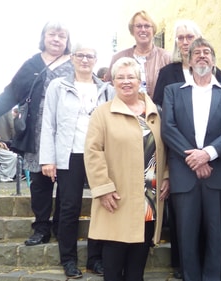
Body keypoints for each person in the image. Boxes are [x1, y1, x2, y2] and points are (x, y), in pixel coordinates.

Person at [0, 21, 74, 246]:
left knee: (67, 183)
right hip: (36, 134)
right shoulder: (32, 64)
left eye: (61, 35)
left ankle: (61, 226)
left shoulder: (75, 64)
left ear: (67, 40)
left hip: (69, 135)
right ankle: (42, 227)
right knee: (39, 183)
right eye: (52, 34)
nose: (56, 39)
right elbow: (10, 94)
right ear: (43, 37)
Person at [161, 38, 221, 281]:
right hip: (184, 175)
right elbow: (168, 129)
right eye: (196, 53)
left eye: (207, 52)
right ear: (188, 60)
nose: (202, 56)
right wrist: (195, 158)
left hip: (216, 174)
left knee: (215, 236)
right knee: (186, 235)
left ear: (214, 60)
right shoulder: (173, 91)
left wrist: (207, 154)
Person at [84, 57, 169, 281]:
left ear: (140, 80)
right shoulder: (102, 113)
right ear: (112, 82)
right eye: (120, 77)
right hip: (117, 198)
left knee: (136, 269)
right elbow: (93, 152)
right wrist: (102, 188)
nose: (126, 81)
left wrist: (167, 176)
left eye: (130, 76)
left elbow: (164, 148)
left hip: (148, 199)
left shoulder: (155, 112)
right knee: (113, 267)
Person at [39, 42, 113, 278]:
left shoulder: (106, 89)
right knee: (69, 207)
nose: (84, 60)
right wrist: (48, 159)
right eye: (80, 55)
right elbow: (49, 123)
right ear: (72, 58)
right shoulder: (57, 86)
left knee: (101, 205)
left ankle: (95, 258)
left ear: (95, 59)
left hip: (99, 155)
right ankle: (68, 260)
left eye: (89, 56)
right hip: (69, 154)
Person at [153, 20, 221, 107]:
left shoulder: (214, 72)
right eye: (180, 38)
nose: (185, 42)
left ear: (199, 39)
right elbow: (158, 105)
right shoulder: (167, 73)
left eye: (190, 37)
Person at [105, 10, 171, 99]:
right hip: (124, 111)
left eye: (147, 26)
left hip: (158, 111)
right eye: (139, 26)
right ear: (132, 30)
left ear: (153, 29)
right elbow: (109, 89)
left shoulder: (166, 58)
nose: (143, 30)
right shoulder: (118, 58)